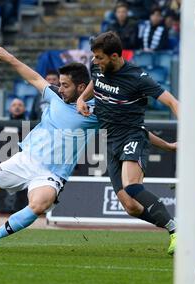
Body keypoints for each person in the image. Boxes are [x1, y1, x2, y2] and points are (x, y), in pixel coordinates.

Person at [0, 46, 177, 253]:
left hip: (52, 174)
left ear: (81, 87)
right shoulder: (54, 95)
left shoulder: (97, 110)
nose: (60, 88)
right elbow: (32, 77)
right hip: (25, 160)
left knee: (40, 204)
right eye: (59, 83)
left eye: (65, 85)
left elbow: (135, 128)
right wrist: (9, 58)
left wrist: (166, 146)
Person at [77, 31, 180, 255]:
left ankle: (177, 232)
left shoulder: (138, 77)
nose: (94, 61)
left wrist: (190, 132)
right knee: (131, 206)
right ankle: (174, 228)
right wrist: (81, 98)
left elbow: (172, 101)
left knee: (132, 185)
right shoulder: (98, 68)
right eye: (93, 57)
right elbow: (95, 83)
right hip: (110, 141)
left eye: (99, 57)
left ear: (114, 56)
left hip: (132, 136)